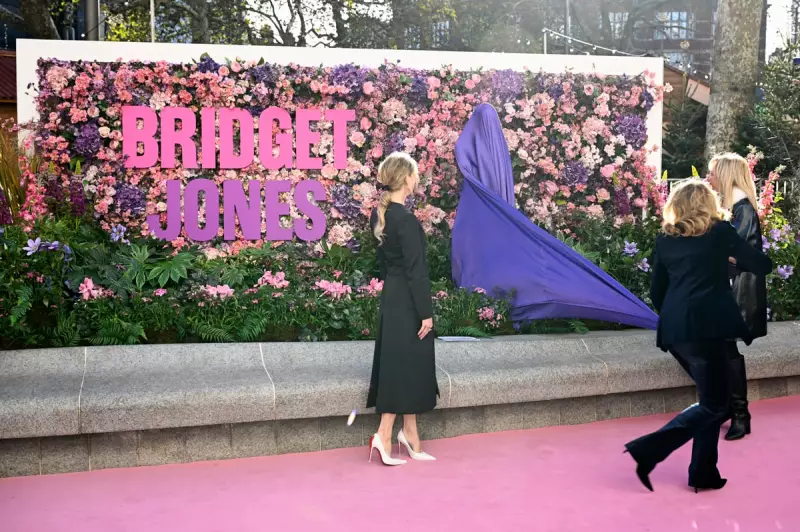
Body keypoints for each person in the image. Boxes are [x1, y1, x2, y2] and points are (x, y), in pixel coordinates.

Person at [624, 179, 772, 493]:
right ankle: (648, 450)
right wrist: (734, 259)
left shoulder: (666, 240)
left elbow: (656, 292)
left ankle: (703, 473)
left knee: (709, 401)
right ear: (708, 204)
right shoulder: (721, 233)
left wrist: (677, 317)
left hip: (676, 331)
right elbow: (762, 265)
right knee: (717, 405)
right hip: (708, 329)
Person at [367, 151, 439, 466]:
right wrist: (425, 312)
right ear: (407, 179)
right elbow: (416, 271)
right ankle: (384, 435)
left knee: (403, 363)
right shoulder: (406, 220)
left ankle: (409, 433)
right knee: (403, 365)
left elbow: (387, 266)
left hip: (392, 297)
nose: (417, 178)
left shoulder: (381, 216)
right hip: (409, 302)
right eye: (415, 173)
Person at [708, 153, 767, 441]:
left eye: (712, 173)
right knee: (722, 350)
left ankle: (739, 415)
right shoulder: (736, 208)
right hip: (730, 289)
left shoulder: (742, 210)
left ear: (726, 175)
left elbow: (736, 254)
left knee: (727, 350)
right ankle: (732, 410)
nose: (709, 178)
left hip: (736, 292)